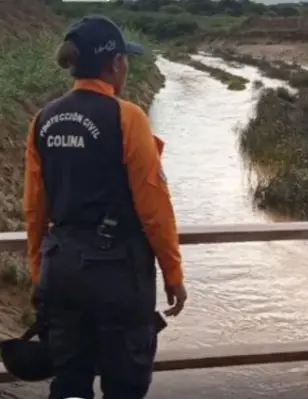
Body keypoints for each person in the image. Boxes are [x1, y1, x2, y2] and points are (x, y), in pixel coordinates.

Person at [22, 15, 187, 399]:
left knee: (69, 383)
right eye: (125, 59)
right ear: (113, 63)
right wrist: (173, 273)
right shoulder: (128, 117)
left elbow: (34, 210)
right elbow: (154, 207)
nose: (127, 67)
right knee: (124, 385)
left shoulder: (42, 120)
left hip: (59, 272)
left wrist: (39, 273)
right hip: (118, 277)